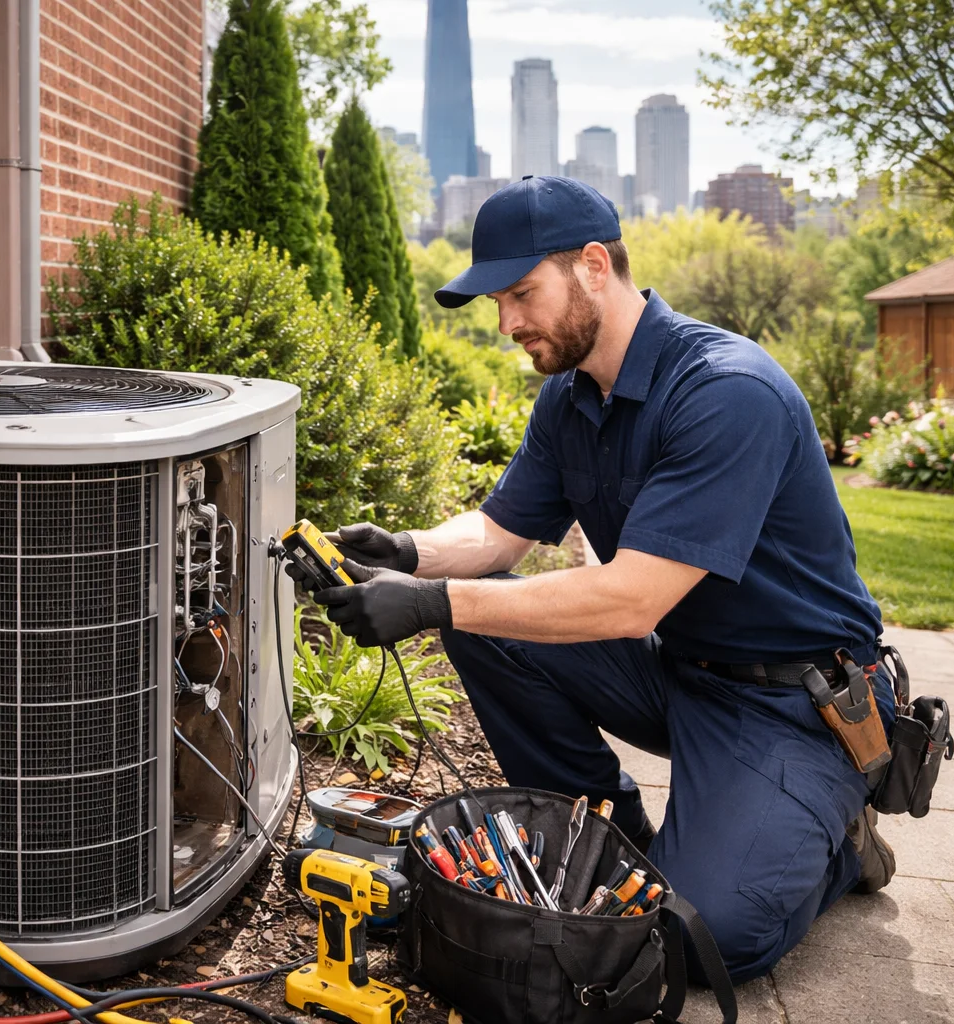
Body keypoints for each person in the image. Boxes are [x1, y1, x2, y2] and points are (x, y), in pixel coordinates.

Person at [287, 175, 897, 982]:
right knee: (489, 626)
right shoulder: (573, 397)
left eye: (521, 294)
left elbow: (631, 598)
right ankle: (608, 841)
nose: (507, 323)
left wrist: (432, 602)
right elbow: (501, 537)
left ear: (596, 266)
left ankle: (839, 840)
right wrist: (406, 553)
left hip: (796, 703)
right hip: (684, 673)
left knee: (702, 940)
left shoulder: (724, 393)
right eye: (496, 303)